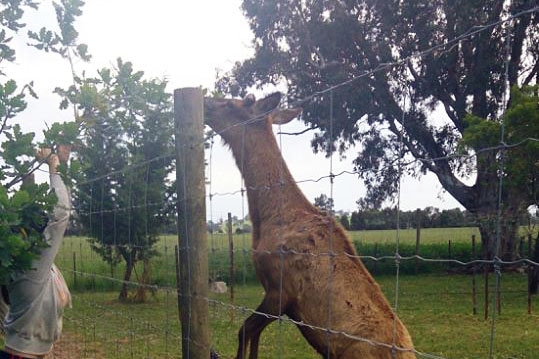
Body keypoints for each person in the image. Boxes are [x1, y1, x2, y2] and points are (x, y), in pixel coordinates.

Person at [1, 146, 71, 359]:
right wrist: (53, 165)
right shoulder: (32, 268)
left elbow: (60, 214)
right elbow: (60, 215)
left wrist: (63, 165)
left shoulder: (18, 260)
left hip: (24, 351)